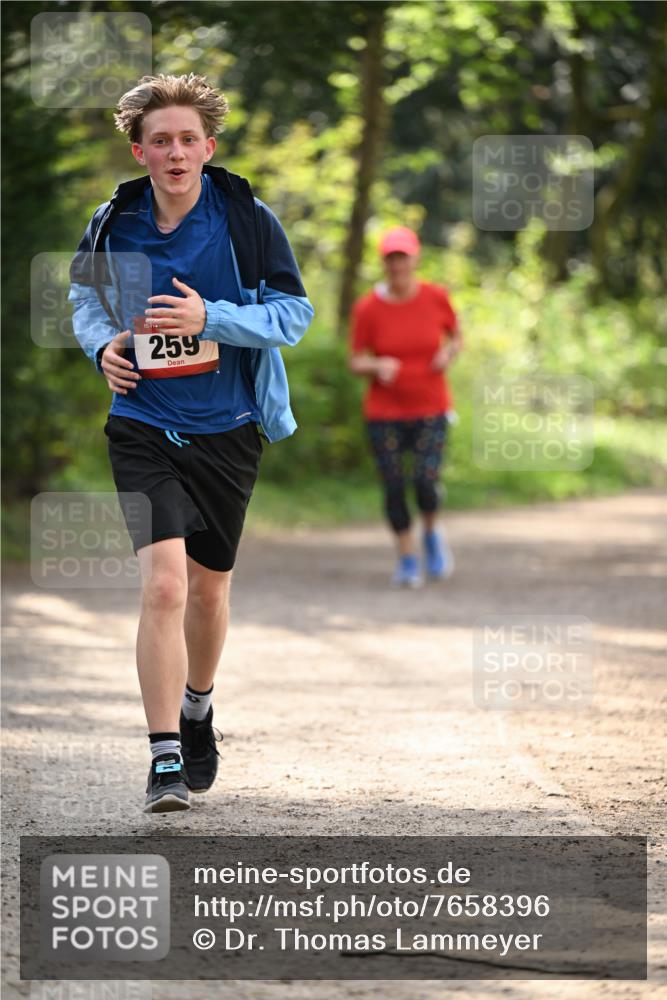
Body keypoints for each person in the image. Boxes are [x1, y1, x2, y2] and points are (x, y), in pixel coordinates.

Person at [68, 73, 314, 813]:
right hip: (142, 422)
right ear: (140, 150)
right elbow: (84, 297)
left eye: (187, 140)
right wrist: (100, 346)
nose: (174, 152)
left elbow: (293, 314)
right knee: (165, 586)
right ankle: (163, 757)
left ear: (207, 147)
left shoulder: (245, 218)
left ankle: (197, 705)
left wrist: (212, 319)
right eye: (160, 141)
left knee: (208, 593)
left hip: (229, 430)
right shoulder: (115, 220)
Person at [349, 226, 461, 588]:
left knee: (426, 483)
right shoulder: (368, 307)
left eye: (403, 257)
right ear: (384, 262)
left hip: (431, 406)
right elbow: (355, 360)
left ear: (415, 259)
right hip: (384, 412)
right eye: (391, 258)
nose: (397, 264)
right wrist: (377, 366)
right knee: (394, 486)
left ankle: (430, 533)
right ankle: (408, 558)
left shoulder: (435, 297)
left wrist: (448, 353)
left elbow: (456, 336)